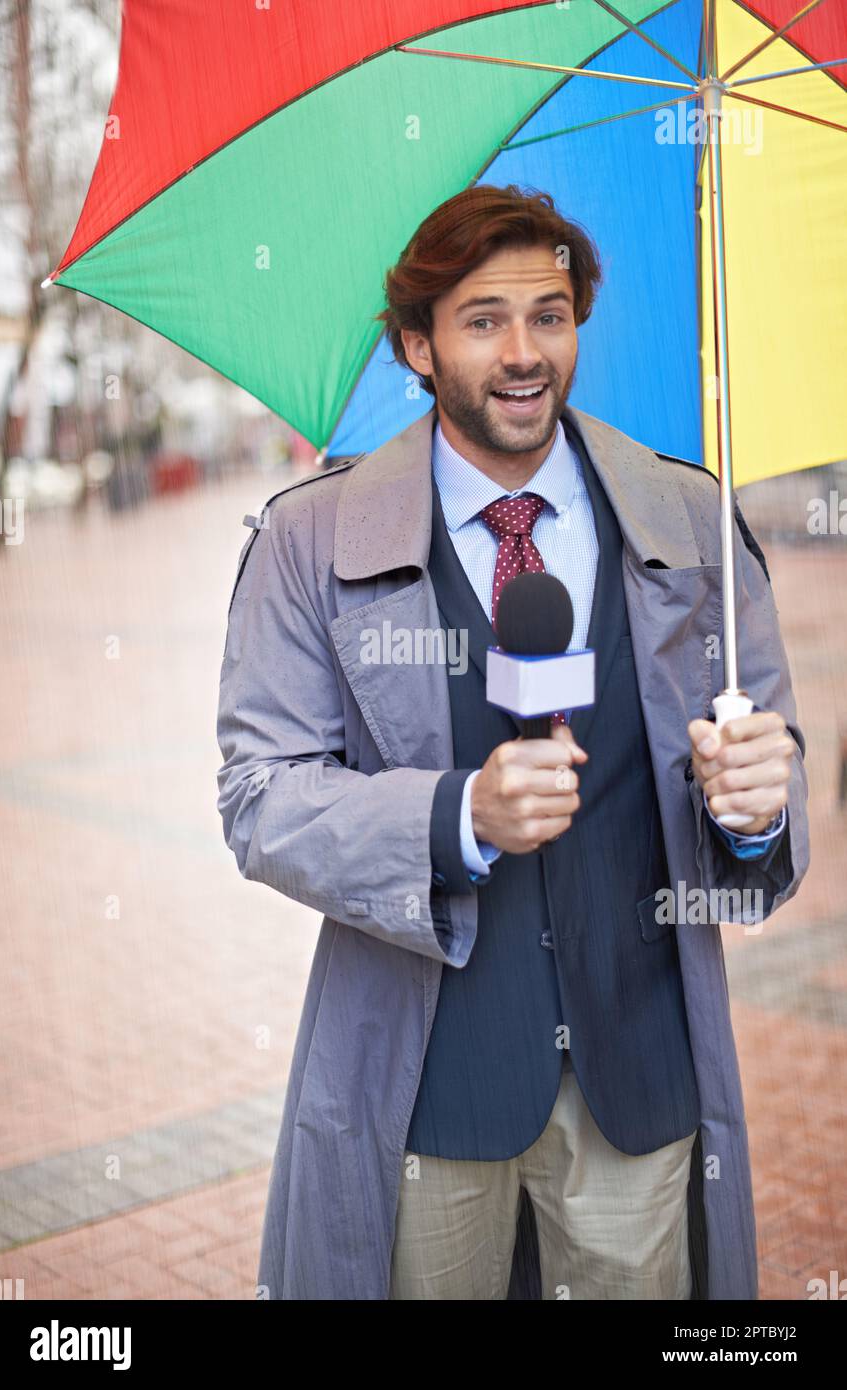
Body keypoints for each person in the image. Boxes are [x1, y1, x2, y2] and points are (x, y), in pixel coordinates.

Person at [216, 184, 809, 1300]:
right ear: (417, 345)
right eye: (483, 319)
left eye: (551, 313)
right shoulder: (309, 539)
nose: (525, 351)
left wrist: (756, 806)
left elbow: (773, 805)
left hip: (643, 1083)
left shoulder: (692, 520)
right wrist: (455, 818)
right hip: (425, 1088)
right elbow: (260, 796)